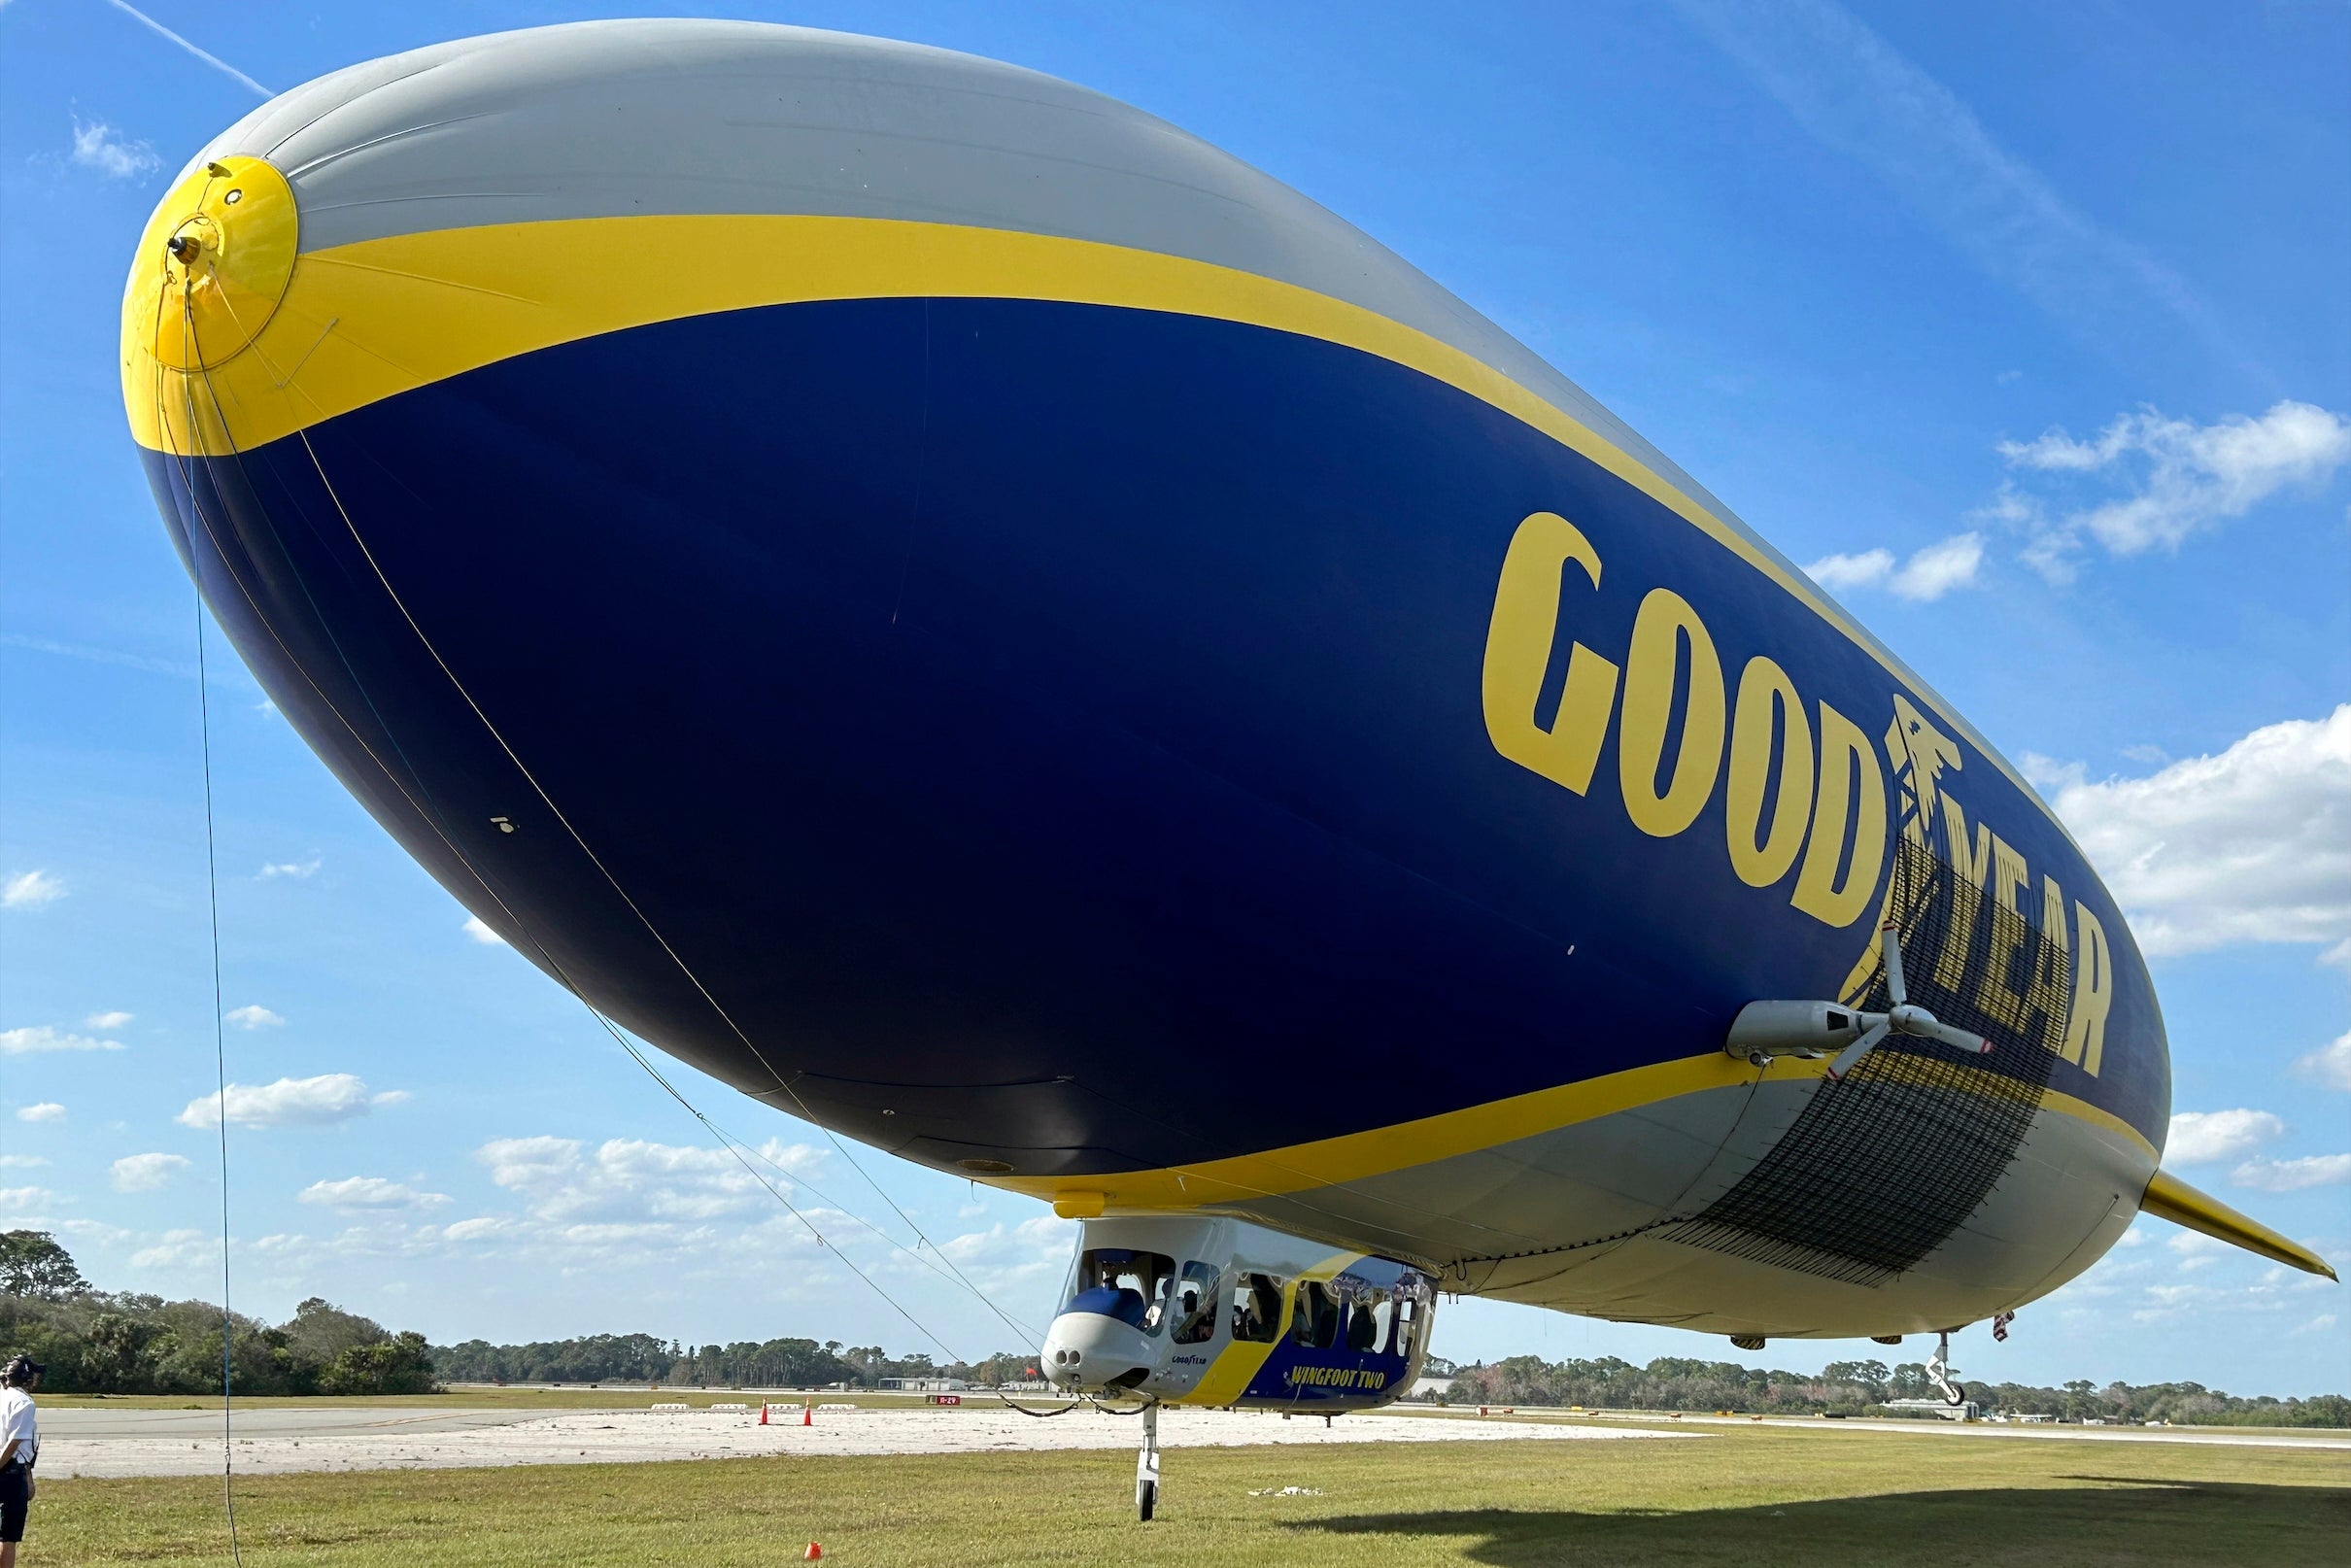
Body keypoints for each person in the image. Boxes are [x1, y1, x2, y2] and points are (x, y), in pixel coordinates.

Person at [0, 1354, 39, 1567]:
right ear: (27, 1378)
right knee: (8, 1536)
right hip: (9, 1473)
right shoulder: (24, 1403)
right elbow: (15, 1443)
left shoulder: (3, 1395)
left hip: (11, 1469)